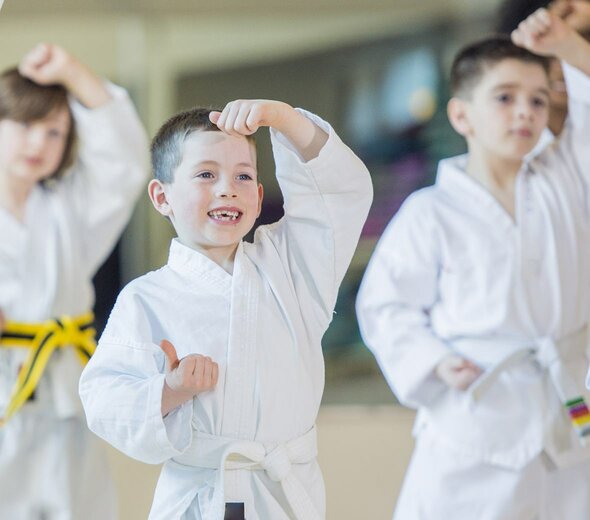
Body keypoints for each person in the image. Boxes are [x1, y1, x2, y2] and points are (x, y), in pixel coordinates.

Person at [79, 99, 372, 519]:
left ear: (257, 195)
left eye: (243, 176)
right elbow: (105, 399)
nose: (227, 188)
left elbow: (342, 193)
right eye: (205, 174)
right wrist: (171, 390)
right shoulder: (145, 298)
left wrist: (281, 117)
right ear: (162, 197)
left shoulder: (292, 266)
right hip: (201, 496)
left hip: (283, 494)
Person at [356, 9, 590, 520]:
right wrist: (432, 359)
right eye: (504, 98)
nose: (524, 112)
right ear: (461, 116)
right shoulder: (430, 213)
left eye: (537, 99)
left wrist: (570, 48)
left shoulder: (569, 179)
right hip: (475, 411)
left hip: (569, 400)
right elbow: (385, 306)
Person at [0, 43, 148, 519]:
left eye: (55, 132)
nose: (38, 144)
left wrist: (70, 71)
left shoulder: (69, 209)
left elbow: (122, 164)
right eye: (24, 125)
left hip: (65, 397)